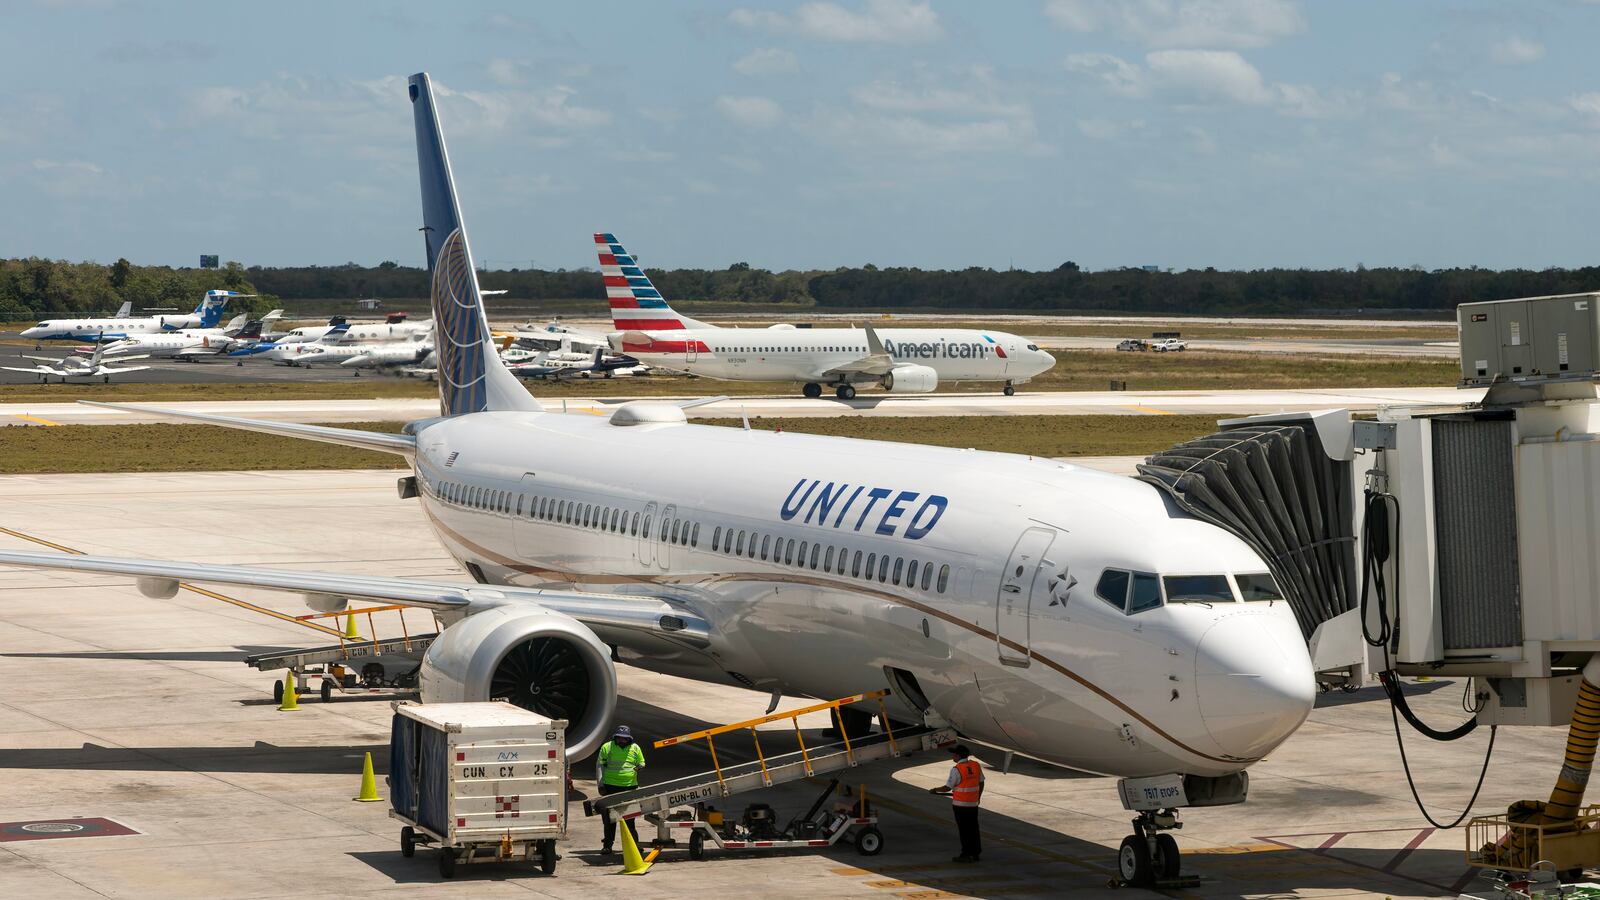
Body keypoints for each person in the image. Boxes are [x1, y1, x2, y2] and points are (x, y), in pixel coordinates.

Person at [596, 724, 647, 855]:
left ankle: (634, 845)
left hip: (630, 787)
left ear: (629, 739)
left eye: (624, 738)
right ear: (616, 737)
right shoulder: (607, 747)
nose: (621, 740)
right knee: (610, 820)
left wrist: (639, 767)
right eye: (619, 738)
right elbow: (600, 765)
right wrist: (600, 784)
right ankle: (607, 846)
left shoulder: (635, 748)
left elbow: (642, 762)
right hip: (611, 787)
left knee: (630, 819)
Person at [929, 744, 983, 862]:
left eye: (954, 754)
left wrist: (935, 790)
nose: (953, 756)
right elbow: (981, 782)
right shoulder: (976, 765)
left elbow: (948, 787)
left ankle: (966, 854)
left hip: (960, 805)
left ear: (958, 755)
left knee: (964, 830)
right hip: (973, 804)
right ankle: (975, 853)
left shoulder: (957, 769)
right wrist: (978, 797)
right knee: (973, 829)